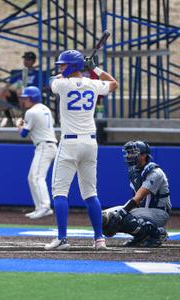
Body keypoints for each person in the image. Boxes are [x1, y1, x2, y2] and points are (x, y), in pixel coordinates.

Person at [44, 50, 118, 251]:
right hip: (90, 143)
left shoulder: (62, 83)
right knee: (90, 193)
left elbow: (50, 80)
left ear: (72, 67)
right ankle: (99, 238)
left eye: (63, 65)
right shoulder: (93, 83)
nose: (60, 68)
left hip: (69, 143)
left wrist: (67, 73)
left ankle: (62, 238)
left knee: (59, 192)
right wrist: (94, 68)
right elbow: (114, 83)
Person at [101, 140, 171, 248]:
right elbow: (136, 199)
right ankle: (140, 236)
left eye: (132, 153)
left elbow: (139, 197)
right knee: (104, 217)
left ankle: (157, 233)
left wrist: (122, 212)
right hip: (144, 211)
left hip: (159, 212)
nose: (129, 156)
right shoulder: (134, 172)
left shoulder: (155, 172)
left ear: (143, 155)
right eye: (128, 153)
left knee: (122, 217)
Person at [17, 86, 57, 219]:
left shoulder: (31, 112)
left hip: (45, 146)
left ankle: (45, 207)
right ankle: (39, 207)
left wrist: (19, 125)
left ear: (33, 98)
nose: (24, 100)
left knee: (37, 177)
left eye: (26, 98)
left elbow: (23, 133)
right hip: (47, 145)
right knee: (32, 177)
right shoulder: (45, 108)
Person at [0, 51, 39, 127]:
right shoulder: (19, 73)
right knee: (1, 91)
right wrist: (5, 89)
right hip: (15, 95)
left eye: (29, 59)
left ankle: (24, 119)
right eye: (25, 59)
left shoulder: (38, 74)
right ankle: (9, 119)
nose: (26, 61)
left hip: (30, 97)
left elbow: (42, 87)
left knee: (20, 91)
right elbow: (8, 85)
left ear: (34, 61)